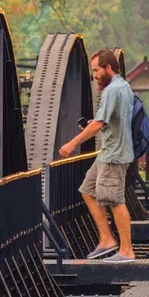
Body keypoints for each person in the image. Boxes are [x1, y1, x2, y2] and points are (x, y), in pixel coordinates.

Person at [58, 48, 136, 261]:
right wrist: (96, 124)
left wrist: (72, 143)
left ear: (108, 68)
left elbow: (100, 123)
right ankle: (106, 239)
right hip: (109, 152)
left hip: (114, 155)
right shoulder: (124, 87)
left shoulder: (112, 90)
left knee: (115, 201)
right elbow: (110, 121)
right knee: (87, 189)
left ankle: (126, 251)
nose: (93, 76)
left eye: (96, 70)